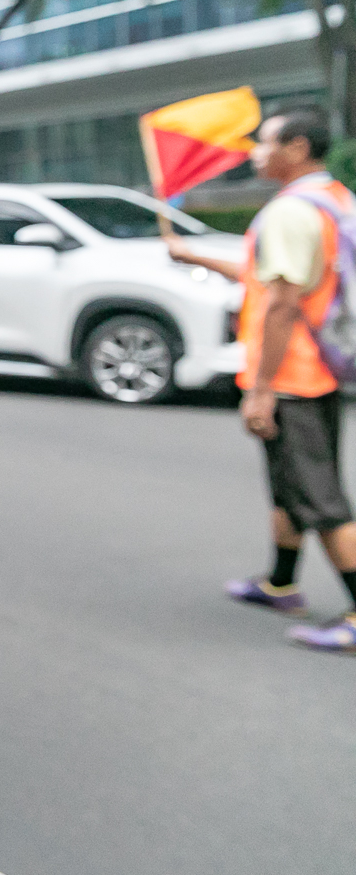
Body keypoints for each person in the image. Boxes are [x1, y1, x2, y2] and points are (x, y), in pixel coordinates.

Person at [169, 103, 356, 653]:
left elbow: (281, 304)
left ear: (297, 148)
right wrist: (195, 257)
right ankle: (280, 583)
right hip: (322, 365)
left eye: (265, 142)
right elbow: (266, 278)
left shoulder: (290, 212)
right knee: (289, 485)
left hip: (294, 375)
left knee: (321, 500)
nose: (255, 152)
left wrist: (262, 389)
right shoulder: (333, 198)